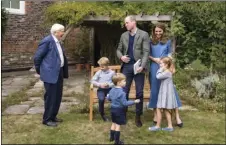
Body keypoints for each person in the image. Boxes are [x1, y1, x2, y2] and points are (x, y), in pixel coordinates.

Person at [116, 15, 150, 127]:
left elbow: (146, 52)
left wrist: (143, 65)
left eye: (126, 23)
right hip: (126, 67)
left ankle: (138, 116)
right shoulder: (123, 35)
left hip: (139, 67)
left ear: (133, 22)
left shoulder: (144, 34)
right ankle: (123, 115)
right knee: (124, 91)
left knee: (139, 92)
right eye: (125, 23)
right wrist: (121, 57)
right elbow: (118, 50)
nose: (125, 25)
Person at [148, 22, 183, 127]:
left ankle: (177, 116)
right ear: (154, 31)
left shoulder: (167, 41)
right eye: (156, 31)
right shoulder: (150, 42)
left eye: (160, 31)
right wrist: (154, 59)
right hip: (154, 67)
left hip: (165, 67)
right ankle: (155, 114)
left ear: (163, 31)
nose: (158, 33)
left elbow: (169, 55)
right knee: (155, 90)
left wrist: (172, 66)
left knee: (171, 91)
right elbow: (147, 54)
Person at [34, 23, 68, 127]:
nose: (63, 32)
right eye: (61, 31)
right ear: (55, 32)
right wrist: (41, 70)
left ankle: (53, 116)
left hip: (59, 72)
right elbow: (37, 58)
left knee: (57, 96)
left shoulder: (58, 42)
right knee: (50, 97)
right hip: (50, 73)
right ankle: (47, 119)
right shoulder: (47, 41)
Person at [107, 73, 140, 144]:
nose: (125, 82)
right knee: (118, 125)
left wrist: (107, 96)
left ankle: (111, 138)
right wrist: (134, 101)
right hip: (119, 110)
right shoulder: (122, 93)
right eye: (124, 81)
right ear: (119, 83)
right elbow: (124, 103)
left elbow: (109, 98)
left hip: (112, 109)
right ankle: (117, 142)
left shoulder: (112, 89)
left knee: (113, 123)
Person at [149, 57, 180, 131]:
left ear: (166, 65)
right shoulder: (168, 71)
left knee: (158, 108)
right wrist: (162, 68)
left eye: (161, 63)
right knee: (166, 109)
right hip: (165, 92)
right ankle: (170, 127)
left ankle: (158, 126)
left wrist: (160, 69)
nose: (160, 65)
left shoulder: (167, 72)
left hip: (166, 93)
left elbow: (158, 76)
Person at [91, 57, 115, 121]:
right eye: (100, 66)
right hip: (101, 90)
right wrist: (100, 84)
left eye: (103, 66)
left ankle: (114, 113)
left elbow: (115, 82)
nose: (101, 68)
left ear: (107, 65)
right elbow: (92, 81)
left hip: (110, 90)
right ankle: (102, 114)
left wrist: (108, 84)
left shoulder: (112, 73)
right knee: (101, 99)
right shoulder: (99, 72)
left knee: (113, 98)